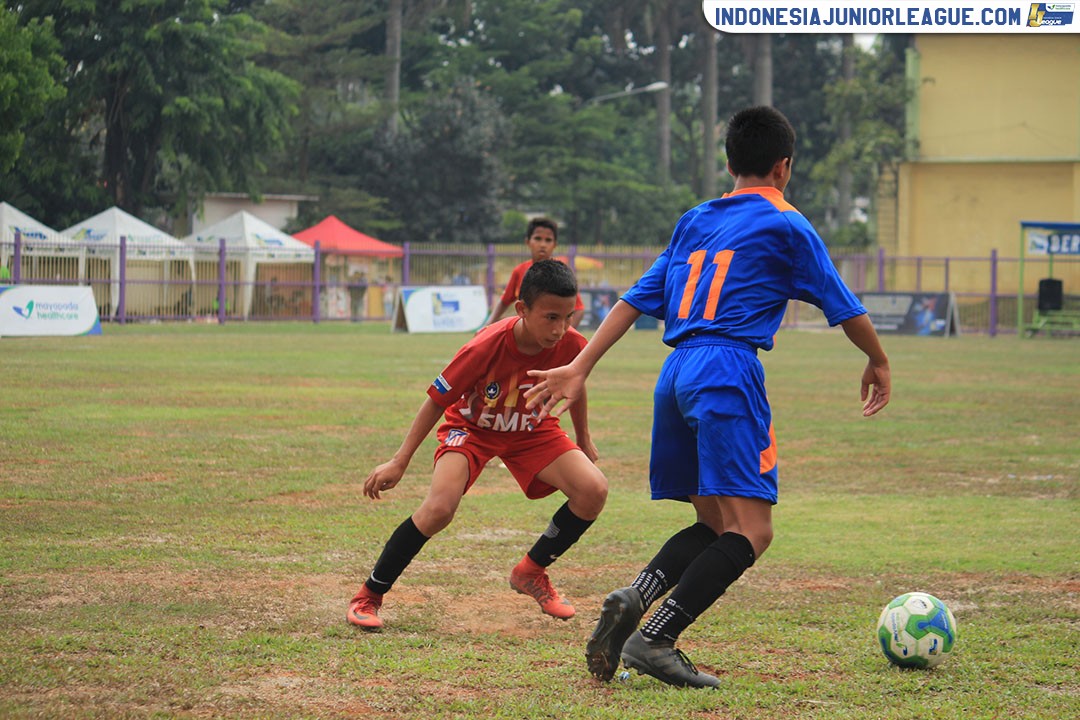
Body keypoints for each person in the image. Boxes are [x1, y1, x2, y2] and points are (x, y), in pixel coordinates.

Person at [524, 106, 891, 688]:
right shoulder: (788, 223)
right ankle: (658, 637)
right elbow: (844, 306)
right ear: (784, 167)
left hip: (674, 373)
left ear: (728, 161)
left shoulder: (694, 218)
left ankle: (636, 596)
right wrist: (877, 358)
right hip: (727, 368)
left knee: (715, 523)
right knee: (752, 530)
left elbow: (634, 299)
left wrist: (580, 364)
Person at [347, 259, 608, 631]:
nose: (560, 329)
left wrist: (584, 438)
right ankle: (369, 595)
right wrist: (399, 460)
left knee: (593, 489)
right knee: (439, 509)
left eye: (567, 317)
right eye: (551, 318)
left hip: (532, 430)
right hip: (472, 429)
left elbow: (574, 385)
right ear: (522, 310)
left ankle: (531, 571)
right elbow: (437, 400)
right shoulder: (485, 345)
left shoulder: (572, 344)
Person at [480, 217, 585, 330]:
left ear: (555, 244)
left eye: (548, 240)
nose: (543, 244)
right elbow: (504, 301)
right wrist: (487, 326)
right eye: (538, 239)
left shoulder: (561, 274)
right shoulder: (519, 271)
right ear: (528, 242)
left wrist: (564, 333)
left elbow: (579, 309)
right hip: (525, 336)